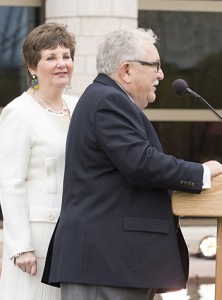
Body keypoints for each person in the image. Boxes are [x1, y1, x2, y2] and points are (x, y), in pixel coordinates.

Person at [42, 28, 222, 299]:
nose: (161, 75)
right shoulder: (107, 101)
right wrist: (201, 173)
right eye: (155, 66)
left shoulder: (107, 99)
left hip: (115, 264)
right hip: (106, 264)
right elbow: (141, 163)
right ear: (126, 70)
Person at [0, 22, 77, 300]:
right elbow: (10, 184)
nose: (61, 63)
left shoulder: (79, 107)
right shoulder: (18, 113)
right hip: (37, 242)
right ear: (32, 67)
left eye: (66, 56)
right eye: (51, 57)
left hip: (75, 235)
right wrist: (21, 246)